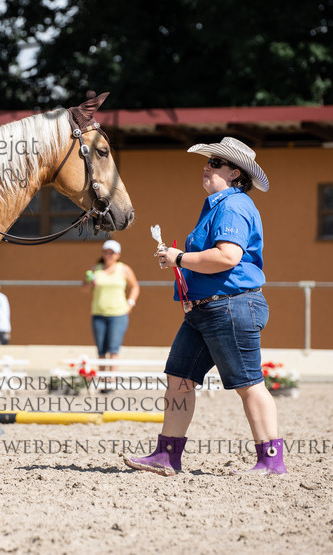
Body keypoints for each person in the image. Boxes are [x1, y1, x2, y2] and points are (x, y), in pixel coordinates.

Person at [124, 137, 285, 476]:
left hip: (230, 307)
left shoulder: (233, 205)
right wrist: (180, 261)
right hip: (207, 309)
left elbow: (227, 256)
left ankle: (272, 461)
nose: (206, 166)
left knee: (248, 384)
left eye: (214, 163)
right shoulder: (218, 205)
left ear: (235, 173)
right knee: (179, 379)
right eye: (209, 161)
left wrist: (180, 258)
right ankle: (167, 455)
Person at [84, 240, 139, 369]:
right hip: (98, 313)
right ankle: (102, 378)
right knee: (101, 351)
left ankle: (112, 379)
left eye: (112, 252)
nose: (108, 255)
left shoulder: (124, 269)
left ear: (118, 254)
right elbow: (84, 288)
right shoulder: (95, 269)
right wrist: (90, 284)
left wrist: (130, 303)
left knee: (114, 349)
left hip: (118, 314)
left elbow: (135, 286)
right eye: (106, 252)